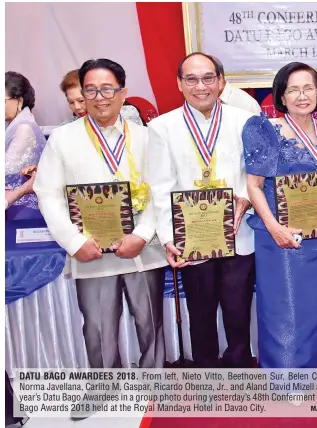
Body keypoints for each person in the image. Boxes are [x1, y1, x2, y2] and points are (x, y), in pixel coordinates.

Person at [34, 58, 167, 368]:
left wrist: (142, 234)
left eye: (107, 89)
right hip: (88, 247)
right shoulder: (63, 140)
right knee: (97, 328)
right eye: (90, 90)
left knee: (150, 322)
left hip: (141, 247)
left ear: (123, 93)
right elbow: (47, 193)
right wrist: (73, 241)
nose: (99, 97)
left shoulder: (146, 137)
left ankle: (154, 386)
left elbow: (161, 190)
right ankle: (108, 391)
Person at [147, 52, 255, 368]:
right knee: (201, 310)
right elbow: (160, 185)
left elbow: (256, 173)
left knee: (238, 309)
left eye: (208, 78)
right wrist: (169, 238)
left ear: (220, 82)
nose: (201, 86)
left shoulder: (243, 120)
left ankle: (238, 368)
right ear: (180, 84)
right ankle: (206, 371)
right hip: (191, 238)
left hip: (238, 232)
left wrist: (244, 197)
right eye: (191, 79)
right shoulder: (162, 127)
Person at [242, 62, 317, 368]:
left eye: (309, 88)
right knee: (284, 309)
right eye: (294, 89)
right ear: (282, 96)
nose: (302, 95)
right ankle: (285, 377)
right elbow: (254, 185)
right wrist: (275, 228)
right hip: (280, 238)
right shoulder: (265, 130)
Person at [5, 72, 45, 210]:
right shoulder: (12, 122)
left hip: (21, 205)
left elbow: (7, 169)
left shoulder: (24, 128)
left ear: (19, 101)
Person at [59, 69, 145, 126]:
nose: (77, 107)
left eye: (81, 101)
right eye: (71, 102)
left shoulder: (126, 115)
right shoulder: (66, 128)